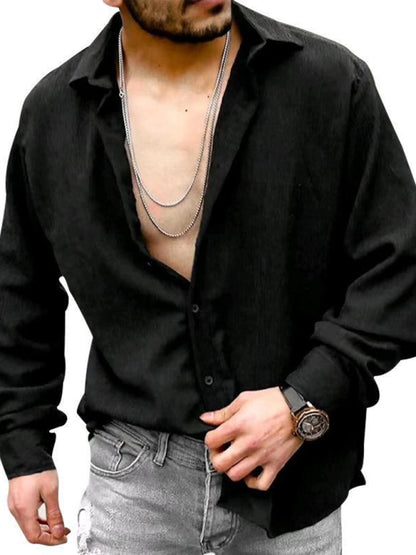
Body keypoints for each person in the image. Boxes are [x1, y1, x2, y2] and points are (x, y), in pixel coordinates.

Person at [0, 0, 415, 552]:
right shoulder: (54, 114)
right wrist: (25, 447)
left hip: (290, 487)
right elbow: (22, 290)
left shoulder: (328, 83)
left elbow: (399, 267)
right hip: (133, 482)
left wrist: (304, 402)